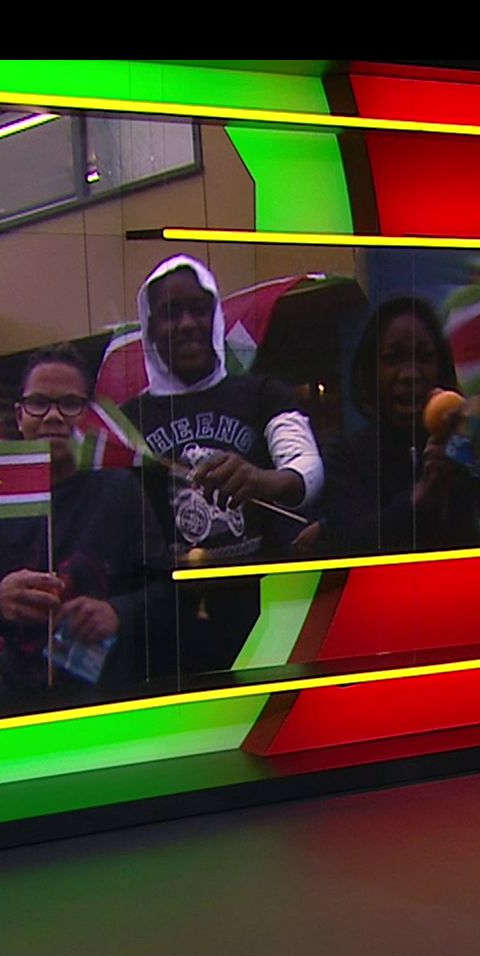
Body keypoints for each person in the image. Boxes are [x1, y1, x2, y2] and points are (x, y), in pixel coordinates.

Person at [121, 254, 324, 675]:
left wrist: (261, 480)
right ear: (150, 327)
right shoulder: (126, 422)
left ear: (215, 317)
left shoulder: (263, 392)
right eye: (171, 313)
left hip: (264, 618)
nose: (187, 324)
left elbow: (307, 466)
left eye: (199, 309)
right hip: (168, 631)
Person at [0, 344, 170, 701]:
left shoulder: (121, 489)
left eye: (70, 404)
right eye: (38, 403)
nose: (53, 416)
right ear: (19, 416)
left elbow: (168, 595)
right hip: (21, 705)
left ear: (90, 416)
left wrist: (118, 613)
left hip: (110, 702)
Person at [312, 297, 480, 554]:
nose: (410, 374)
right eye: (393, 359)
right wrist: (421, 496)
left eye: (424, 358)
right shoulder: (346, 453)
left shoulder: (459, 437)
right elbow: (351, 543)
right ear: (371, 371)